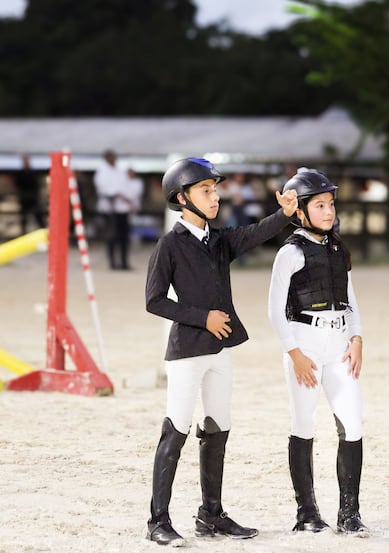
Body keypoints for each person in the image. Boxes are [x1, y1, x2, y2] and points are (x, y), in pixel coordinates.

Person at [144, 157, 298, 547]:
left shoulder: (218, 240)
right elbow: (155, 301)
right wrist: (202, 317)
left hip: (220, 350)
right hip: (187, 352)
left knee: (218, 429)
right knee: (176, 431)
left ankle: (210, 514)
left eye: (215, 190)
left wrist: (284, 215)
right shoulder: (169, 245)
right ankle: (157, 520)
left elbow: (254, 233)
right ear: (182, 198)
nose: (215, 197)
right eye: (206, 191)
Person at [267, 168, 367, 536]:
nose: (329, 211)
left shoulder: (339, 248)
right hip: (304, 344)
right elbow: (274, 309)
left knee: (353, 425)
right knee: (304, 425)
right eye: (320, 205)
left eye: (331, 204)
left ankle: (349, 512)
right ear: (301, 211)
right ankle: (306, 511)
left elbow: (350, 296)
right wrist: (294, 354)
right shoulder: (290, 253)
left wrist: (357, 338)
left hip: (339, 344)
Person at [93, 149, 133, 270]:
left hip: (122, 208)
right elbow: (103, 189)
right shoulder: (101, 172)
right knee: (111, 236)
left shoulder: (120, 171)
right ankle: (112, 262)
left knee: (124, 237)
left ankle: (124, 262)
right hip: (109, 209)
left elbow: (126, 186)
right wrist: (117, 194)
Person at [14, 154, 46, 235]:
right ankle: (23, 234)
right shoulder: (21, 174)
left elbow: (37, 185)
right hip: (25, 198)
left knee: (38, 216)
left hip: (33, 198)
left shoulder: (33, 173)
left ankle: (45, 232)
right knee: (24, 218)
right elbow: (17, 185)